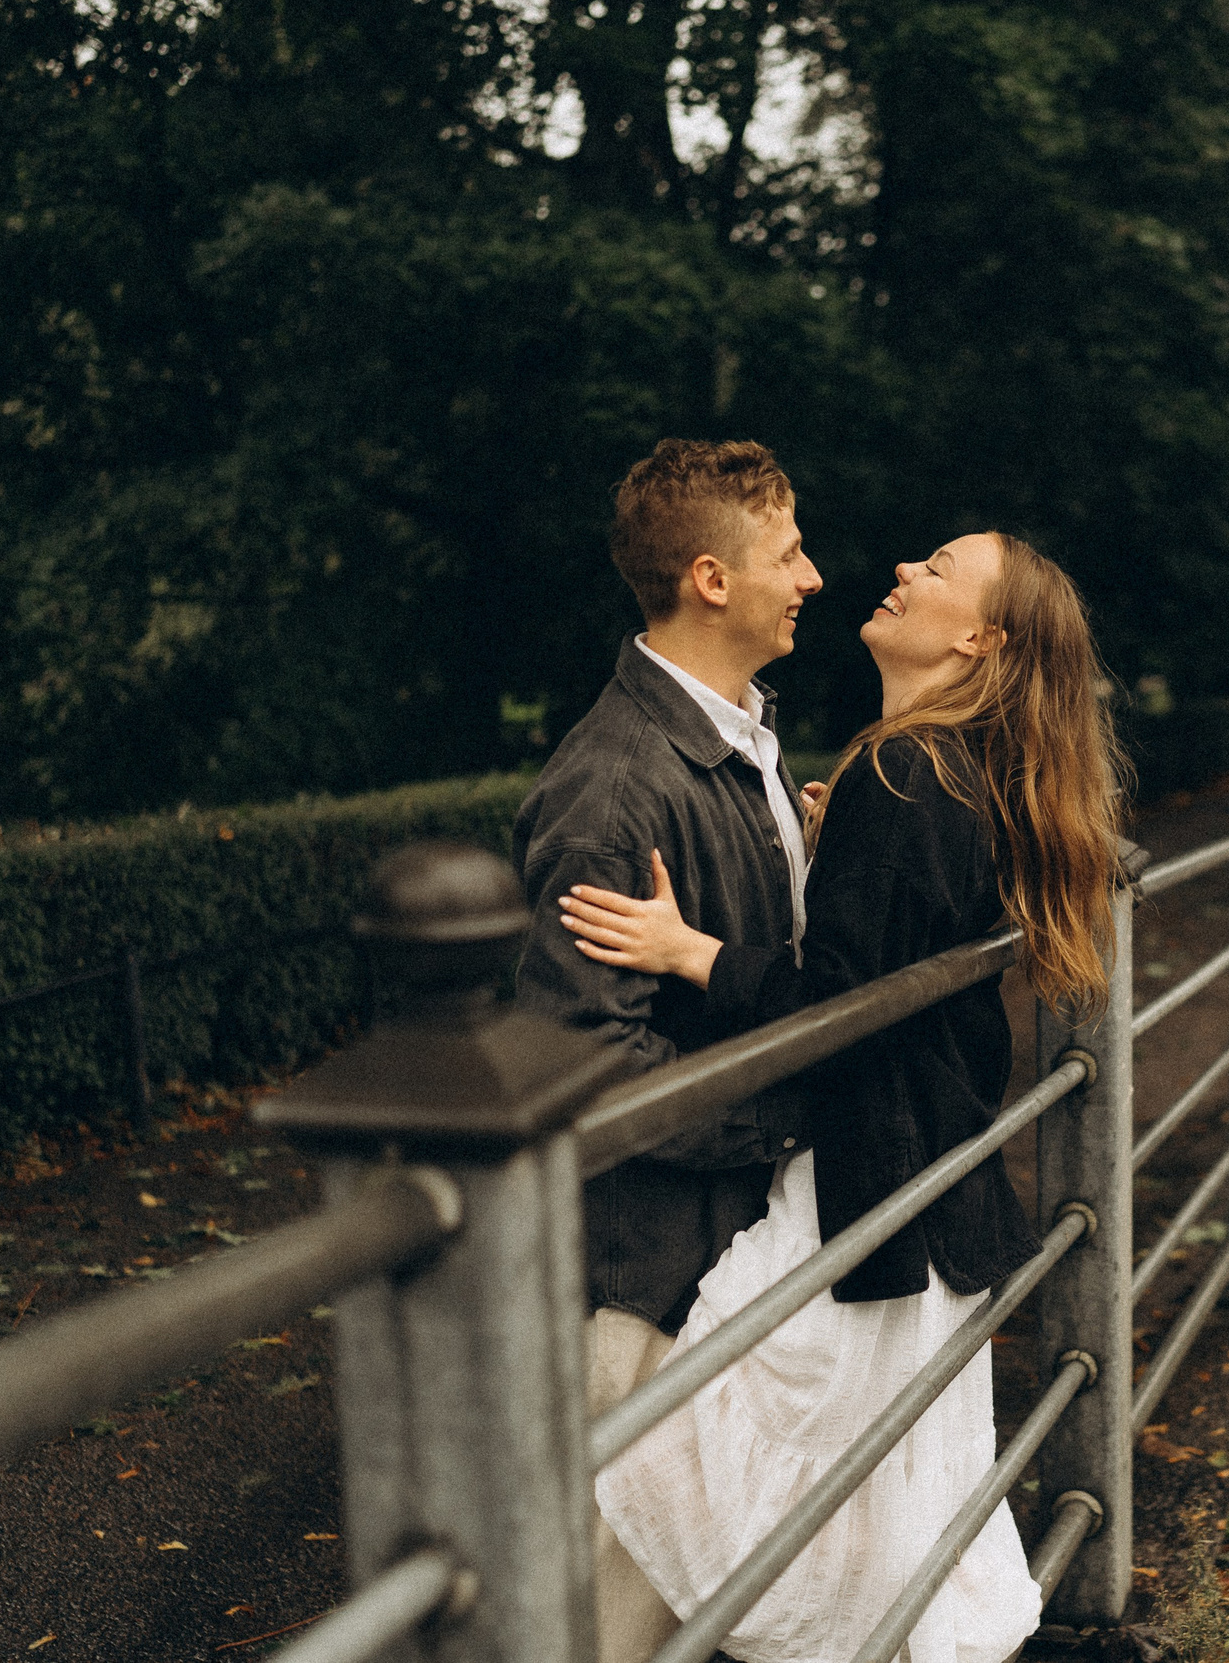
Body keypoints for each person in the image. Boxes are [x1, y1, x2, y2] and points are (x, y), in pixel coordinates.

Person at [557, 532, 1123, 1663]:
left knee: (678, 1440)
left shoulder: (907, 769)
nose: (903, 570)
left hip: (875, 1189)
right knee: (872, 1470)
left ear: (977, 637)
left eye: (939, 570)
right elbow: (907, 941)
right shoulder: (942, 765)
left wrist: (689, 952)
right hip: (925, 1178)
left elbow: (843, 1003)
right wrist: (839, 860)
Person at [510, 437, 824, 1663]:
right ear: (710, 577)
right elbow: (588, 1066)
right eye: (788, 551)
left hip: (735, 1241)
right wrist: (794, 1118)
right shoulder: (613, 790)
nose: (811, 576)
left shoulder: (749, 742)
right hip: (648, 1273)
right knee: (614, 1613)